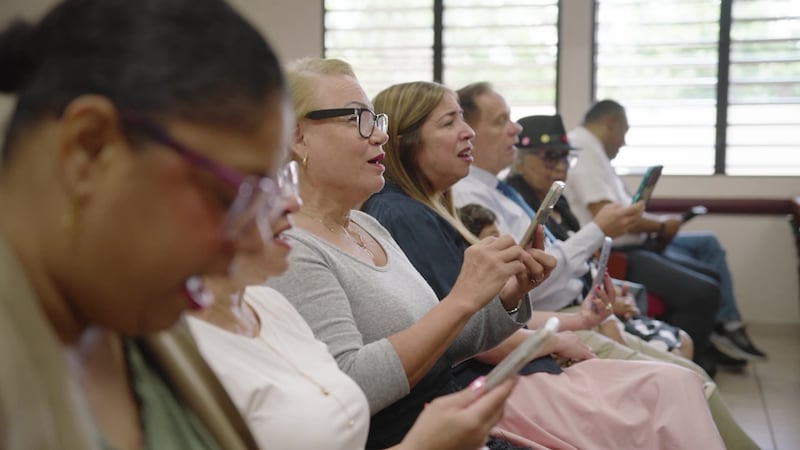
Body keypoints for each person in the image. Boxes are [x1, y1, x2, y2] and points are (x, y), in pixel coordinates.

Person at [364, 80, 725, 449]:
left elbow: (472, 315)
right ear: (406, 141)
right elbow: (453, 328)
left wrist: (524, 297)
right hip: (481, 376)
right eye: (449, 122)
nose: (467, 131)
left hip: (517, 346)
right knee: (676, 385)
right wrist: (547, 334)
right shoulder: (403, 214)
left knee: (679, 382)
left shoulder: (434, 206)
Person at [0, 0, 291, 448]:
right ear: (90, 147)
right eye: (229, 197)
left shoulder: (131, 309)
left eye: (260, 203)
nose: (251, 242)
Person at [266, 57, 551, 450]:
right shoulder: (292, 247)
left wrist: (505, 294)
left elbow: (441, 346)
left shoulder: (368, 226)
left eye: (376, 120)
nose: (380, 136)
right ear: (298, 138)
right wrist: (462, 299)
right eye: (356, 119)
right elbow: (347, 388)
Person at [187, 162, 518, 450]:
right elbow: (355, 382)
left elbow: (435, 342)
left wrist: (505, 296)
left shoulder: (269, 304)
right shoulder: (180, 347)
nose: (289, 200)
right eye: (260, 183)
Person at [565, 99, 767, 362]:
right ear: (610, 123)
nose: (623, 142)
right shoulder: (584, 150)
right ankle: (694, 360)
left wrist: (657, 226)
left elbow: (624, 209)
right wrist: (660, 226)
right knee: (704, 291)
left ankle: (705, 344)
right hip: (617, 253)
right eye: (624, 132)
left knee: (710, 276)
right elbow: (608, 214)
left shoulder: (595, 152)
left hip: (632, 244)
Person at [506, 114, 694, 360]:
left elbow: (582, 263)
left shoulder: (556, 201)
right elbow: (535, 283)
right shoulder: (515, 203)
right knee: (680, 370)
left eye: (565, 157)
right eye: (551, 157)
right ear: (519, 159)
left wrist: (608, 295)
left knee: (682, 342)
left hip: (586, 303)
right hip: (557, 312)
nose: (561, 166)